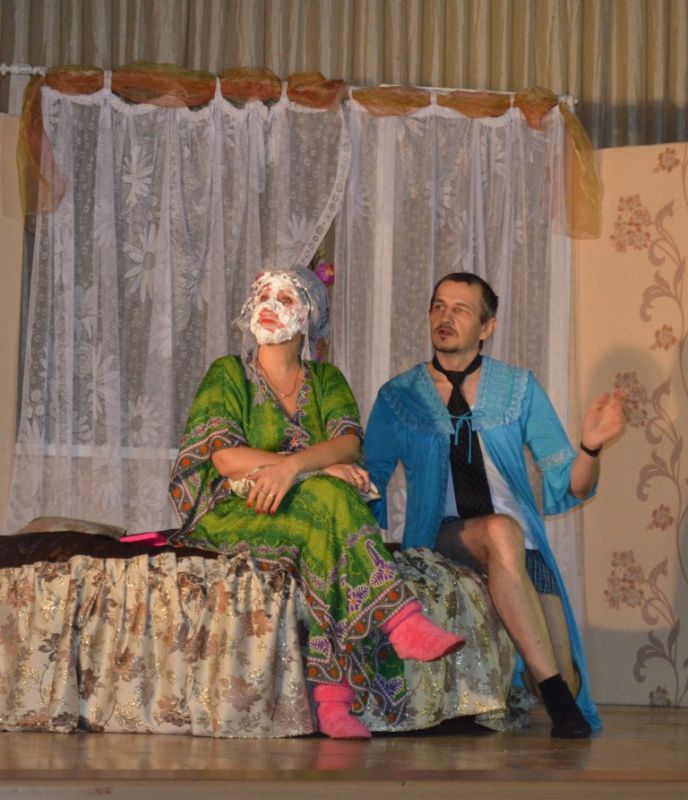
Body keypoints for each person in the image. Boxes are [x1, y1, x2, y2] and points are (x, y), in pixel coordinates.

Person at [168, 268, 462, 740]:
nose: (269, 304)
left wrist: (296, 469)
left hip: (310, 513)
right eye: (263, 294)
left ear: (308, 317)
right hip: (234, 510)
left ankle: (336, 699)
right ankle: (377, 647)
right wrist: (312, 469)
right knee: (331, 494)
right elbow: (226, 458)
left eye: (285, 298)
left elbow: (348, 444)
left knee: (328, 520)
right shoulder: (229, 373)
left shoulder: (326, 379)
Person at [364, 272, 627, 739]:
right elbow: (369, 479)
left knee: (567, 678)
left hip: (519, 545)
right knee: (501, 529)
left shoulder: (518, 387)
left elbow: (572, 483)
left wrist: (591, 446)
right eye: (438, 306)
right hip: (441, 536)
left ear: (487, 327)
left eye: (460, 310)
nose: (445, 317)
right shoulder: (399, 396)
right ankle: (555, 697)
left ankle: (554, 688)